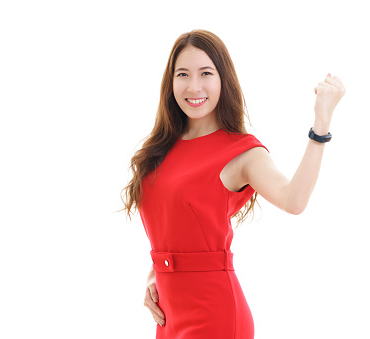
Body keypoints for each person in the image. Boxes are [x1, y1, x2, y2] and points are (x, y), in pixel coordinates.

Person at [120, 29, 345, 339]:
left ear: (223, 79)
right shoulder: (160, 149)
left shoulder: (242, 152)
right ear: (170, 82)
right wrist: (156, 272)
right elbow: (171, 222)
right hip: (168, 318)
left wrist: (321, 124)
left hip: (215, 316)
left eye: (206, 73)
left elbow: (294, 200)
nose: (193, 86)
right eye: (182, 74)